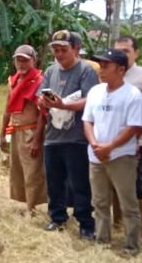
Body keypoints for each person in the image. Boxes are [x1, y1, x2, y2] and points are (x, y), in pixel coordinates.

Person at [82, 49, 142, 254]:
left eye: (106, 65)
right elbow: (88, 121)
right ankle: (102, 239)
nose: (102, 70)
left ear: (121, 69)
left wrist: (110, 147)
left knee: (128, 203)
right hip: (96, 155)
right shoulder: (95, 92)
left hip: (121, 156)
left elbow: (134, 127)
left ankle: (132, 245)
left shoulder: (132, 95)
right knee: (99, 201)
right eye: (101, 65)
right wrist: (94, 144)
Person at [36, 30, 98, 238]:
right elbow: (40, 95)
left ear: (76, 49)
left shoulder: (86, 71)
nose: (59, 54)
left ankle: (85, 223)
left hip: (77, 137)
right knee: (54, 180)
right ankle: (57, 217)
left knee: (80, 182)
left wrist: (65, 104)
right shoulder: (51, 71)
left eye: (63, 50)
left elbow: (90, 100)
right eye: (55, 50)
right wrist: (42, 102)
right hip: (52, 135)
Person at [113, 35, 142, 237]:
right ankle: (118, 224)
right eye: (118, 51)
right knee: (115, 184)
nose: (122, 55)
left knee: (138, 184)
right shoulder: (110, 73)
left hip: (137, 141)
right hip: (111, 142)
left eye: (126, 51)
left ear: (136, 52)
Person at [0, 44, 47, 215]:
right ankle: (26, 204)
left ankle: (31, 208)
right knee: (18, 169)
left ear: (33, 61)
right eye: (18, 60)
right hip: (16, 130)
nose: (21, 64)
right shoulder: (13, 81)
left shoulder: (39, 81)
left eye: (25, 60)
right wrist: (2, 134)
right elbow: (7, 110)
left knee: (32, 171)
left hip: (31, 130)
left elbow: (42, 113)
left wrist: (37, 139)